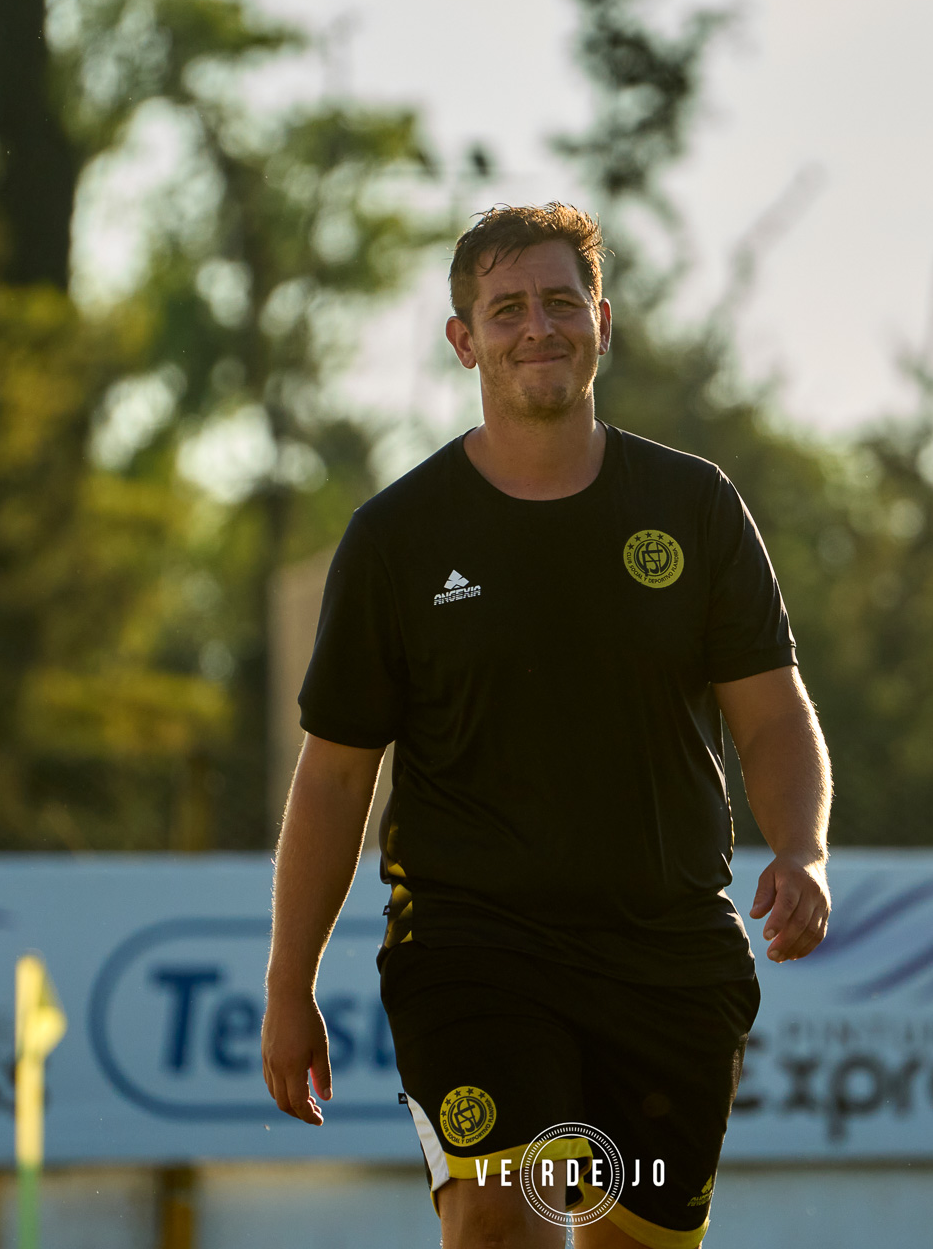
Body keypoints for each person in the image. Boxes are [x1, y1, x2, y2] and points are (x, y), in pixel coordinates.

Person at [260, 202, 831, 1249]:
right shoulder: (397, 538)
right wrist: (288, 985)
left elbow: (772, 713)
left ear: (602, 324)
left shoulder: (693, 506)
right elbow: (335, 779)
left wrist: (802, 849)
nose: (539, 328)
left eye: (562, 303)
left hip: (668, 955)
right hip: (473, 948)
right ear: (463, 339)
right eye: (507, 307)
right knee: (498, 1218)